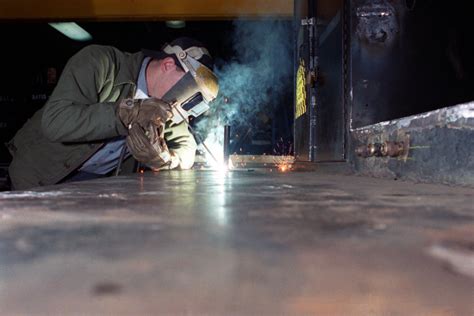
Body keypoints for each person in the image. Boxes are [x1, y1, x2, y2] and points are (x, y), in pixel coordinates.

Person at [6, 37, 219, 190]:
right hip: (38, 178)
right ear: (168, 64)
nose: (183, 106)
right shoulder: (102, 63)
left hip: (95, 189)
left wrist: (165, 159)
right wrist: (126, 113)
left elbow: (187, 147)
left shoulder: (166, 107)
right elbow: (56, 121)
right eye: (188, 93)